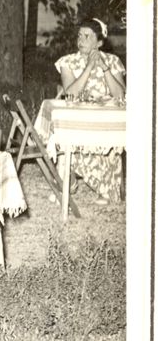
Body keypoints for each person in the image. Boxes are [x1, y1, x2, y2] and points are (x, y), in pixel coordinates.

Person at [54, 17, 125, 202]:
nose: (81, 41)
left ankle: (106, 187)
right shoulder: (67, 62)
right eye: (79, 36)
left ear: (99, 42)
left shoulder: (113, 61)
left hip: (105, 126)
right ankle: (69, 180)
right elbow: (70, 94)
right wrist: (88, 67)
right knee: (69, 139)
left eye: (87, 36)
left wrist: (104, 67)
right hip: (79, 124)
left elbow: (120, 96)